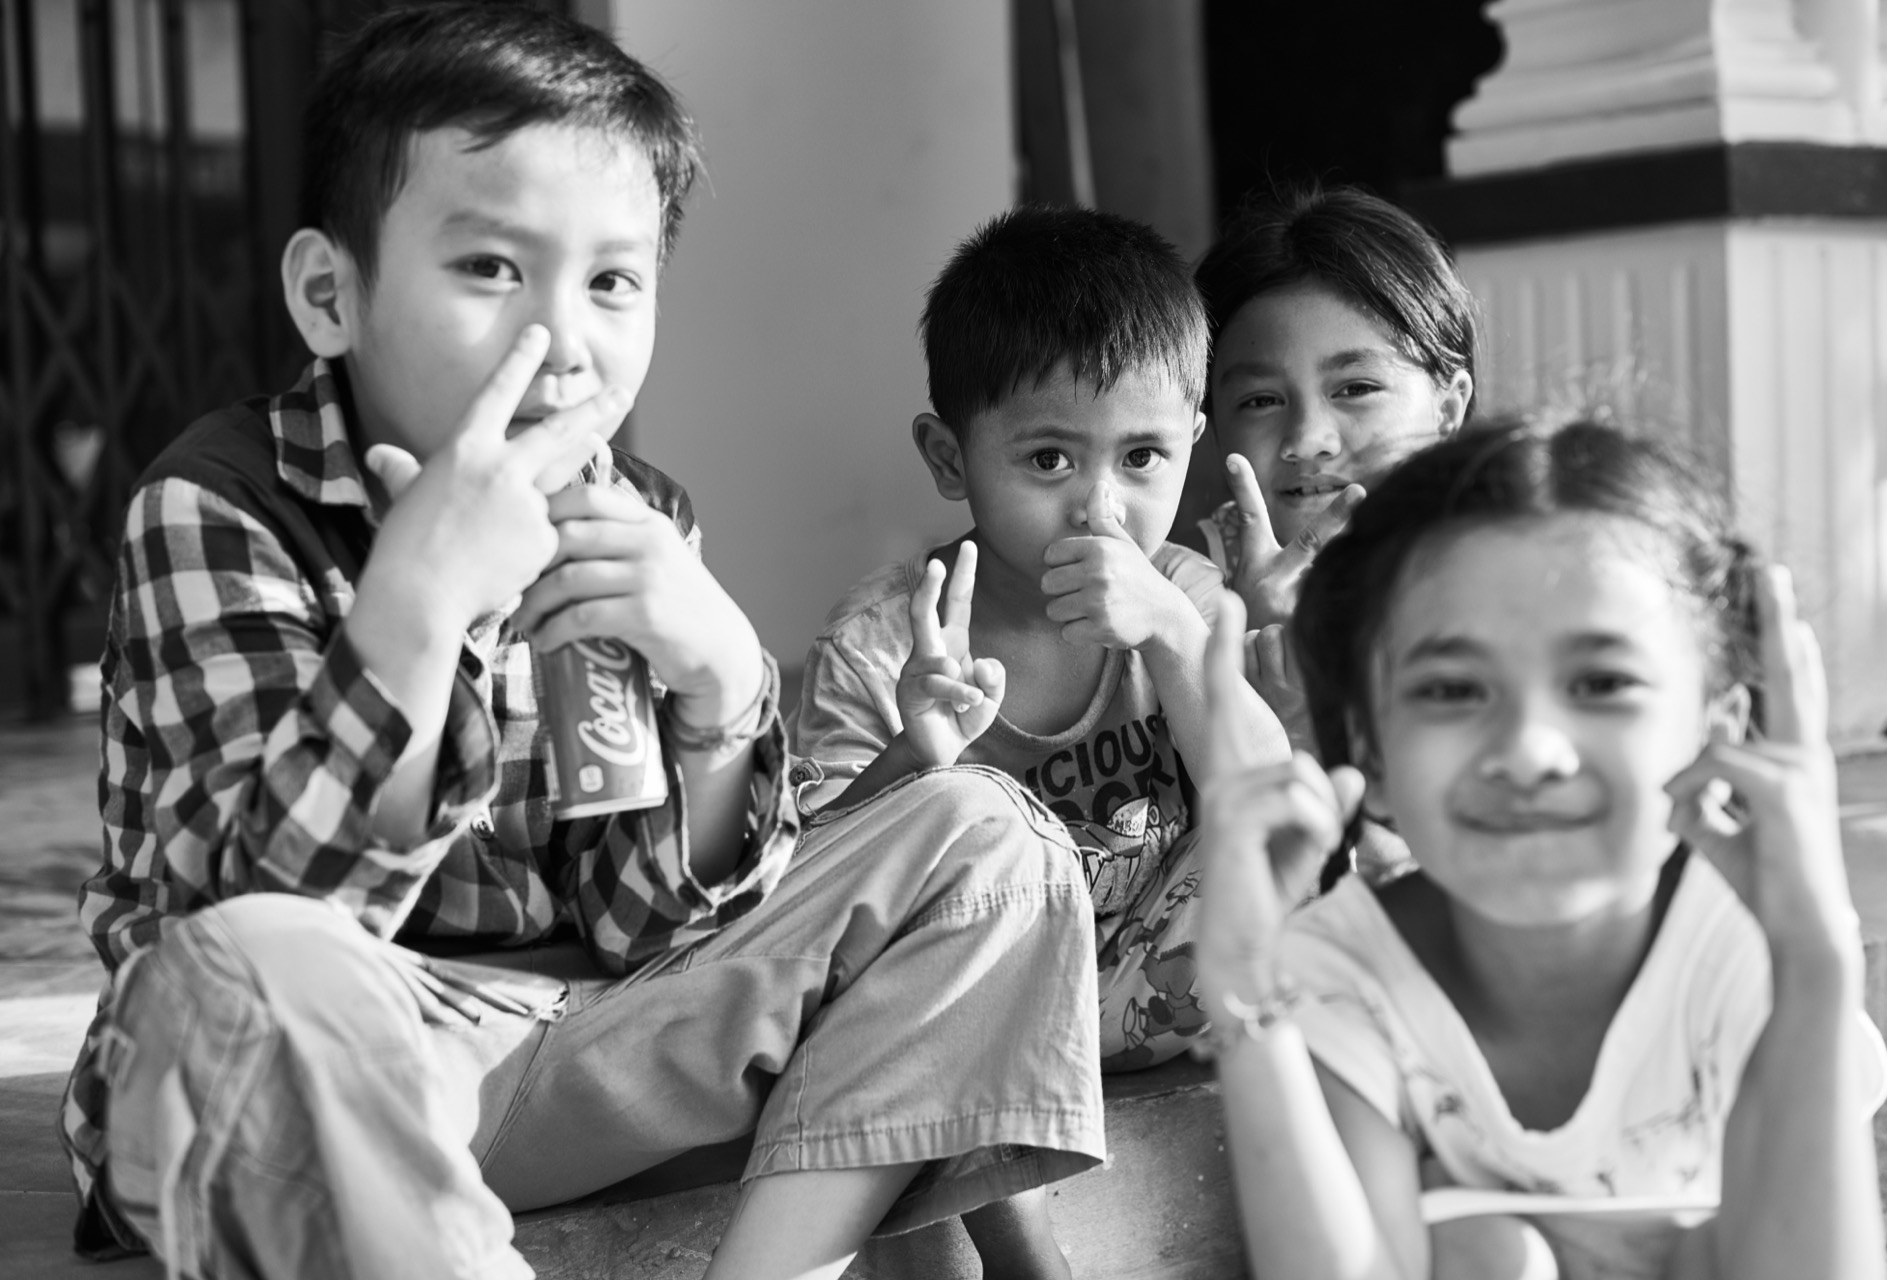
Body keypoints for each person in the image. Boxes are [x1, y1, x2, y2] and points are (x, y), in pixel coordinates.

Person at [58, 9, 1107, 1278]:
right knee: (252, 960)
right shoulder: (219, 505)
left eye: (611, 280)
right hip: (295, 1068)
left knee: (987, 836)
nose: (559, 336)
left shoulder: (632, 515)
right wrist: (416, 609)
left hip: (570, 1046)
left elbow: (642, 925)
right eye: (492, 269)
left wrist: (720, 690)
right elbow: (265, 918)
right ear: (331, 295)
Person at [1193, 418, 1887, 1280]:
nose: (1528, 751)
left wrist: (1816, 961)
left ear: (1720, 728)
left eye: (1600, 683)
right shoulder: (1341, 969)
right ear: (1369, 749)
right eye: (1453, 689)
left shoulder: (1745, 943)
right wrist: (1243, 989)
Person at [790, 205, 1282, 1276]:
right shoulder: (886, 643)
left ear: (1191, 442)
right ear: (949, 456)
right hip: (965, 1006)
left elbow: (1266, 802)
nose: (1101, 510)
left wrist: (1167, 630)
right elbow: (802, 892)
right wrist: (917, 755)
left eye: (1143, 456)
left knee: (1293, 831)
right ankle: (1026, 1252)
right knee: (899, 945)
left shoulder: (1183, 595)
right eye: (1050, 457)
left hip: (1145, 987)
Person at [1191, 186, 1476, 748]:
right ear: (1211, 424)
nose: (1307, 441)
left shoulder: (1510, 559)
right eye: (1261, 400)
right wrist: (1248, 643)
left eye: (1356, 388)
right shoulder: (1189, 590)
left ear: (1449, 407)